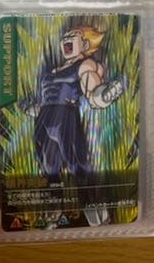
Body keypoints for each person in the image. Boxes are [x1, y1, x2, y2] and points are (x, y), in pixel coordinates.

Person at [20, 26, 124, 227]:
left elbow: (92, 91)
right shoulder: (53, 71)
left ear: (84, 44)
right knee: (49, 171)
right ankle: (53, 218)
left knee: (80, 168)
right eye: (65, 37)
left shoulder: (85, 65)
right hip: (43, 120)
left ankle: (99, 219)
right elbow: (43, 100)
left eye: (73, 37)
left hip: (66, 118)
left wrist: (103, 96)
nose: (66, 40)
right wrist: (30, 107)